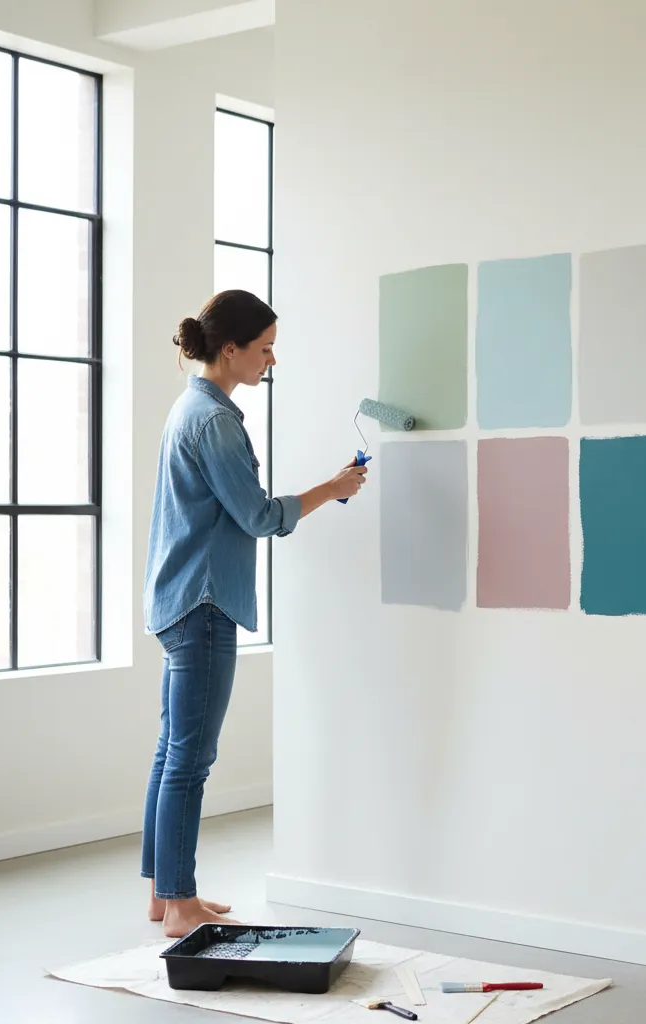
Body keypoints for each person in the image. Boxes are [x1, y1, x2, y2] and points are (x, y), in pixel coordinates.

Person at [141, 289, 367, 938]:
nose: (271, 360)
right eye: (265, 349)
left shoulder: (192, 407)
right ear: (231, 349)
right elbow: (259, 516)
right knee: (190, 757)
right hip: (203, 602)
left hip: (178, 597)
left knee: (172, 750)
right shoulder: (214, 421)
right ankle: (179, 906)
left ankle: (165, 894)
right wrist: (335, 487)